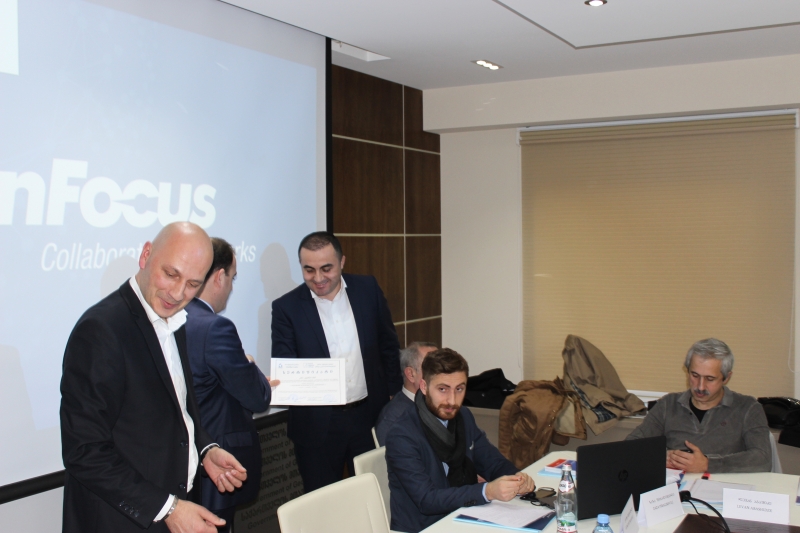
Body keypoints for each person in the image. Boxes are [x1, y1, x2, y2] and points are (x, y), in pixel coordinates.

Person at [61, 222, 249, 533]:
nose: (178, 293)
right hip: (122, 522)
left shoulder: (173, 318)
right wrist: (168, 508)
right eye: (171, 274)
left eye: (193, 284)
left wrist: (204, 449)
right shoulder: (101, 330)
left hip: (173, 509)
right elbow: (83, 451)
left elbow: (179, 408)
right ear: (146, 255)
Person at [271, 231, 402, 492]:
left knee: (374, 494)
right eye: (309, 270)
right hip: (318, 425)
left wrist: (393, 394)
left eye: (326, 268)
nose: (318, 278)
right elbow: (287, 366)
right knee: (323, 500)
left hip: (369, 416)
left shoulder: (367, 289)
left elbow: (388, 344)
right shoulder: (287, 308)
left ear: (342, 262)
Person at [385, 348, 535, 533]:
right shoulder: (402, 435)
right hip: (423, 527)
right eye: (442, 389)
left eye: (459, 389)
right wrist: (487, 491)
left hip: (464, 515)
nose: (452, 400)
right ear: (424, 387)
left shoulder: (463, 416)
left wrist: (517, 478)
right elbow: (426, 500)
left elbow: (491, 462)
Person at [185, 237, 278, 530]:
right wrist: (248, 364)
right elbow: (258, 398)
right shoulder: (215, 327)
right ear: (219, 276)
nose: (232, 287)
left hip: (183, 464)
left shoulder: (173, 317)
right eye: (233, 277)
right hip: (217, 467)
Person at [626, 338, 771, 473]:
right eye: (694, 375)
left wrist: (707, 464)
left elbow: (763, 459)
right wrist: (658, 457)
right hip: (677, 487)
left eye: (710, 379)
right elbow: (629, 447)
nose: (700, 387)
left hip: (724, 488)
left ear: (726, 378)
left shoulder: (748, 408)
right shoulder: (668, 405)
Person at [375, 341, 438, 446]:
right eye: (432, 369)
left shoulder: (446, 405)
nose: (442, 375)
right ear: (411, 374)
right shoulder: (393, 419)